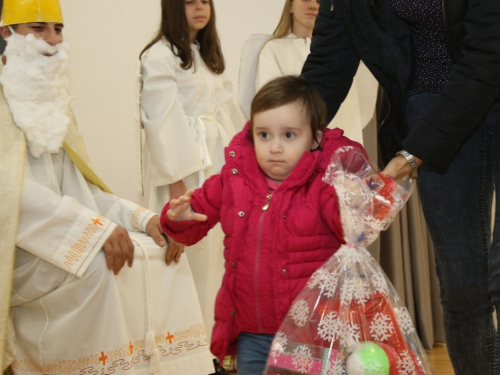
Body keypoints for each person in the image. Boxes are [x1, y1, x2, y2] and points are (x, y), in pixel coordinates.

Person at [0, 0, 214, 373]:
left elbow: (83, 191)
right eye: (38, 28)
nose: (52, 40)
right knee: (102, 269)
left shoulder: (54, 108)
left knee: (163, 253)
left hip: (61, 236)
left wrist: (144, 218)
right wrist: (92, 229)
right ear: (7, 34)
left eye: (58, 28)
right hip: (20, 252)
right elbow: (13, 196)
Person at [301, 0, 500, 374]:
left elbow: (490, 52)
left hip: (490, 76)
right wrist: (262, 144)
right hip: (433, 111)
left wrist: (410, 158)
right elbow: (326, 70)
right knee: (463, 285)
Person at [161, 76, 365, 375]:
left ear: (315, 139)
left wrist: (352, 191)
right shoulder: (235, 177)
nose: (275, 147)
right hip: (251, 333)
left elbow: (354, 228)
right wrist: (176, 218)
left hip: (309, 333)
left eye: (289, 135)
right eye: (264, 135)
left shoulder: (323, 184)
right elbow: (197, 215)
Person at [139, 0, 245, 346]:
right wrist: (177, 190)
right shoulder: (159, 56)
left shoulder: (207, 56)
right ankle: (186, 349)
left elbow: (227, 112)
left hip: (217, 164)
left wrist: (244, 161)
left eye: (205, 1)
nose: (200, 7)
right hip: (185, 171)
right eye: (189, 1)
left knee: (216, 257)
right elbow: (161, 123)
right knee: (188, 259)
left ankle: (214, 346)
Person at [255, 0, 376, 145]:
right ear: (290, 5)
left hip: (344, 138)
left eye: (320, 1)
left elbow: (364, 102)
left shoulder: (347, 51)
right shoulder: (273, 49)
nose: (313, 5)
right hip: (296, 145)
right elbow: (271, 104)